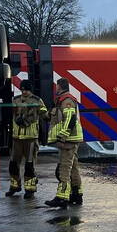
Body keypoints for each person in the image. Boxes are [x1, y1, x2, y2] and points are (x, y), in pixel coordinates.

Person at [45, 77, 84, 209]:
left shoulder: (66, 100)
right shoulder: (63, 100)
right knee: (73, 168)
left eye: (56, 86)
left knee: (64, 169)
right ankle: (77, 195)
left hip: (68, 140)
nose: (55, 88)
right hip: (71, 139)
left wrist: (62, 137)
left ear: (60, 86)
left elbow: (70, 120)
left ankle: (62, 197)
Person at [6, 80, 48, 199]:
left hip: (31, 138)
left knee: (29, 166)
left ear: (30, 89)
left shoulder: (37, 100)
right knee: (13, 164)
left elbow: (44, 114)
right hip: (16, 138)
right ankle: (15, 186)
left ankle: (30, 190)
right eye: (22, 89)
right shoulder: (15, 100)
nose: (24, 92)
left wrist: (50, 115)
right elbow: (10, 113)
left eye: (26, 90)